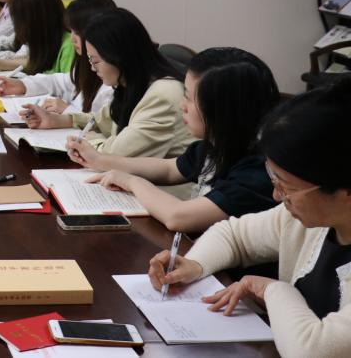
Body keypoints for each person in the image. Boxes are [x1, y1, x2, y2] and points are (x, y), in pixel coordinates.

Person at [147, 80, 351, 358]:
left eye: (287, 187)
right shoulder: (304, 220)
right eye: (273, 179)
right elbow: (235, 235)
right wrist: (194, 264)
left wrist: (271, 289)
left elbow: (312, 351)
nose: (277, 196)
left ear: (345, 190)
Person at [67, 47, 278, 232]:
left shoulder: (257, 171)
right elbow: (168, 169)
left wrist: (131, 182)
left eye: (189, 98)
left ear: (224, 110)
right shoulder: (216, 145)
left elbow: (178, 217)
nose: (181, 105)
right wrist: (99, 160)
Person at [22, 7, 192, 159]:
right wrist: (56, 120)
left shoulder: (162, 95)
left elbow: (116, 154)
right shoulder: (133, 83)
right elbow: (102, 120)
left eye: (95, 61)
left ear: (119, 56)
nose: (92, 68)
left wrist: (86, 138)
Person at [0, 0, 116, 115]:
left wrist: (67, 110)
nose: (73, 38)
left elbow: (101, 123)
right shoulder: (85, 65)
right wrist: (22, 85)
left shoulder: (111, 79)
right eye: (72, 31)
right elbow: (60, 81)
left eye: (78, 33)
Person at [0, 0, 75, 75]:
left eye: (19, 20)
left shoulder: (68, 46)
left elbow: (66, 83)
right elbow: (32, 63)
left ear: (35, 19)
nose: (18, 27)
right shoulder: (42, 39)